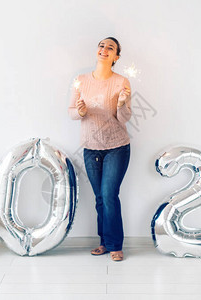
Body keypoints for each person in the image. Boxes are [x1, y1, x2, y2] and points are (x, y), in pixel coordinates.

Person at [68, 37, 132, 261]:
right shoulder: (80, 80)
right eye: (101, 45)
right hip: (90, 148)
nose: (104, 50)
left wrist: (123, 103)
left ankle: (115, 244)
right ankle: (104, 242)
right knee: (100, 198)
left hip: (117, 146)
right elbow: (72, 113)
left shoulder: (121, 82)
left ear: (116, 57)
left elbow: (124, 118)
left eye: (110, 48)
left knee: (109, 195)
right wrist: (81, 111)